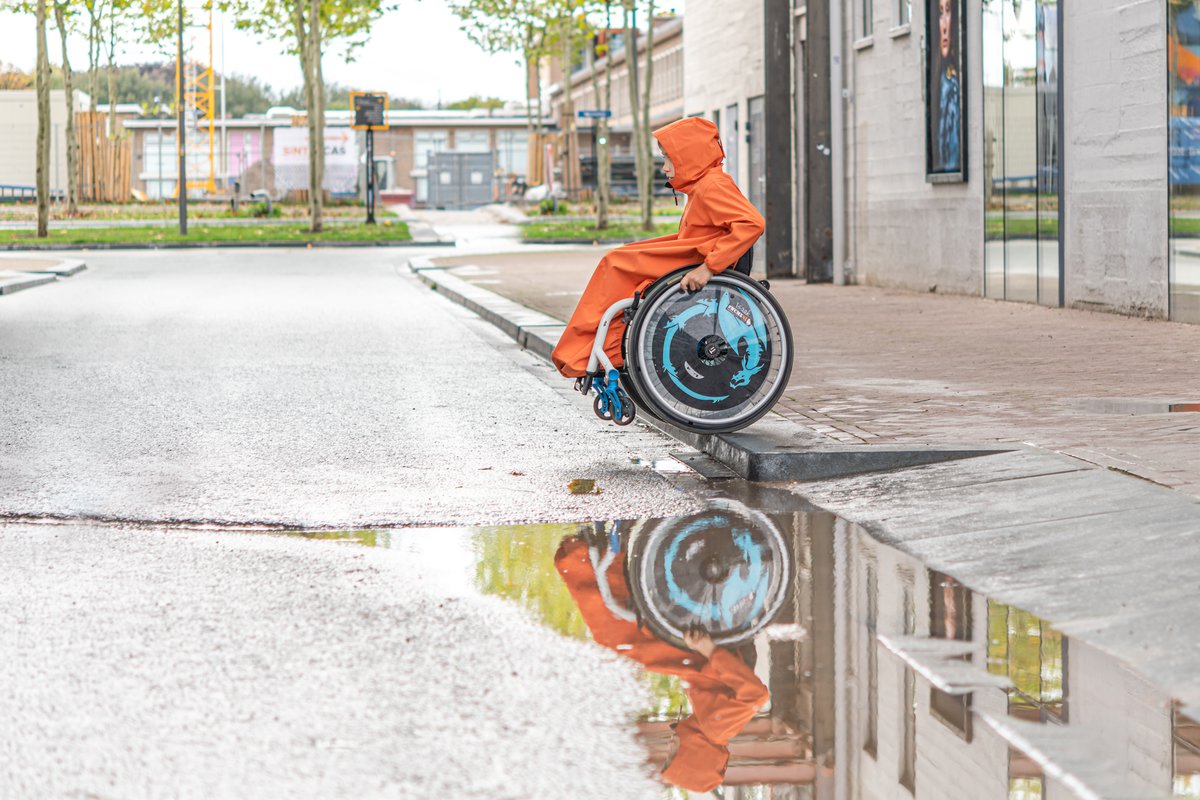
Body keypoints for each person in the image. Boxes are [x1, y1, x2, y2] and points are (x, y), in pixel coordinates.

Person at [551, 117, 766, 379]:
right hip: (689, 255)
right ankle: (585, 352)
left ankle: (589, 353)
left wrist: (708, 269)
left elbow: (752, 223)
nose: (664, 168)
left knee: (615, 264)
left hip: (694, 261)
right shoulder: (704, 185)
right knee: (617, 259)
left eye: (668, 159)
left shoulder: (712, 185)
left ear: (689, 156)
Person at [554, 535, 769, 792]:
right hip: (705, 655)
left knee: (624, 646)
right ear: (695, 756)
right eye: (674, 754)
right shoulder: (716, 727)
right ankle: (589, 558)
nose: (671, 746)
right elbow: (756, 696)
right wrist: (709, 650)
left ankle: (598, 559)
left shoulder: (708, 724)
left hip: (701, 660)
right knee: (620, 643)